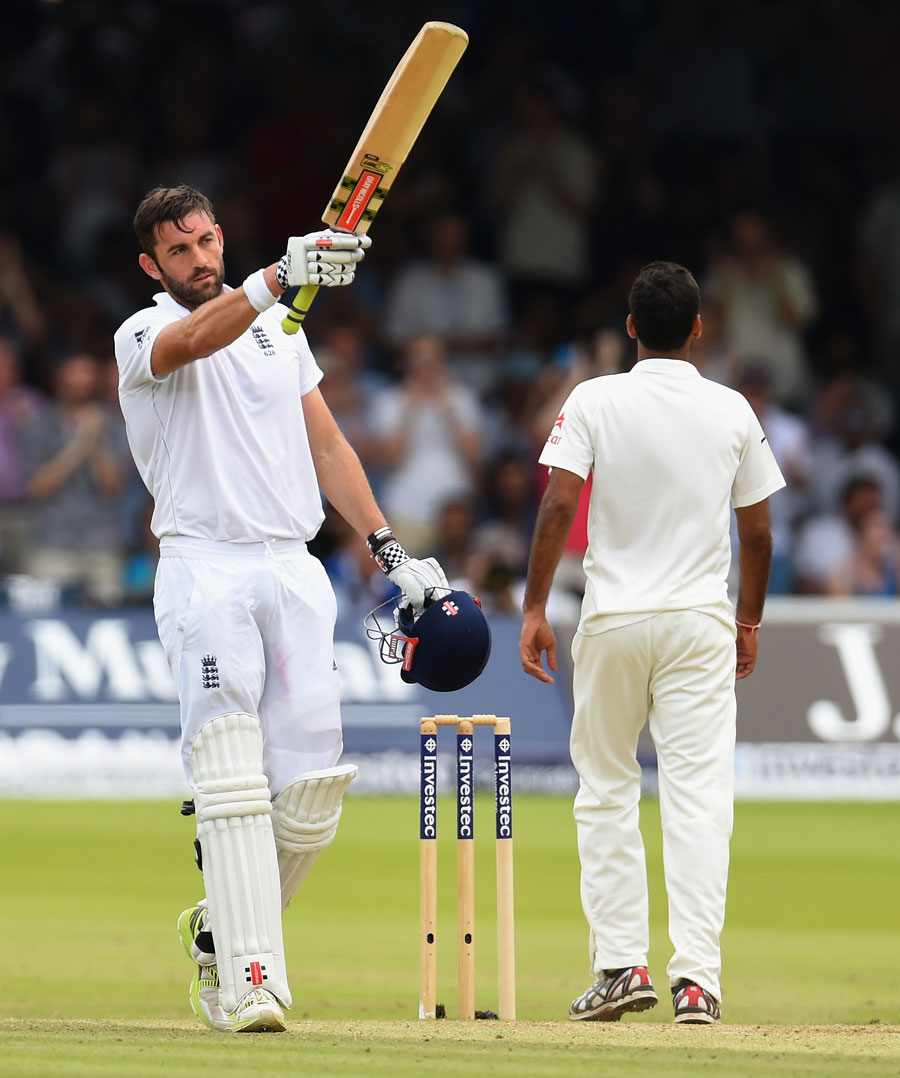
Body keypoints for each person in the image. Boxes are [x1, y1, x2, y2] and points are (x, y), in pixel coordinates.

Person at [114, 185, 448, 1033]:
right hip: (206, 569)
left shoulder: (279, 331)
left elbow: (327, 445)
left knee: (311, 798)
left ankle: (222, 930)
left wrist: (388, 551)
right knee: (231, 780)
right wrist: (275, 277)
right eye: (179, 252)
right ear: (153, 265)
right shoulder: (144, 333)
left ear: (221, 235)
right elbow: (195, 338)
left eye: (206, 241)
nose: (198, 259)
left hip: (294, 572)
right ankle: (248, 982)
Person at [519, 262, 784, 1025]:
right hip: (700, 622)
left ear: (631, 328)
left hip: (613, 619)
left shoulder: (594, 398)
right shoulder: (732, 409)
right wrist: (750, 622)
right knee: (700, 801)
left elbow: (559, 502)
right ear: (699, 327)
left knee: (605, 791)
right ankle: (696, 982)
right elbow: (758, 534)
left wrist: (535, 606)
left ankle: (620, 967)